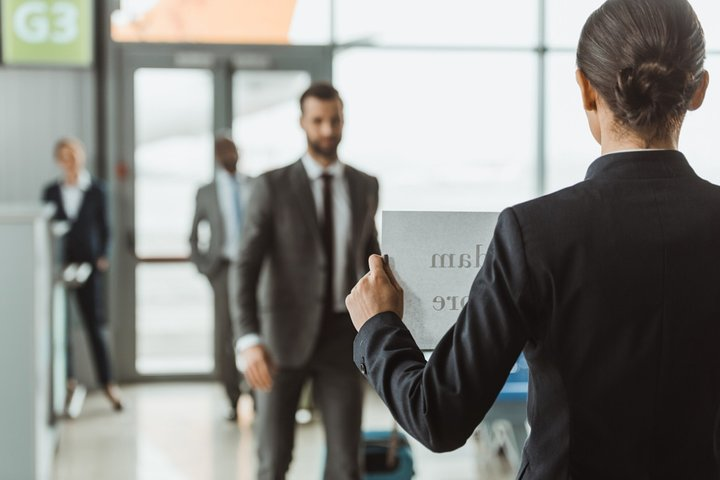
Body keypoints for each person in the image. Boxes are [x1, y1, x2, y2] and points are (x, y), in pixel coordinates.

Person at [346, 0, 719, 478]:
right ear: (700, 89)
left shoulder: (536, 231)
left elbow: (437, 415)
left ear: (585, 89)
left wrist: (378, 327)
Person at [231, 82, 380, 479]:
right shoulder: (272, 186)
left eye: (335, 120)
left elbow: (371, 259)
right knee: (274, 460)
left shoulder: (365, 186)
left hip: (343, 339)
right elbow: (245, 266)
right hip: (280, 340)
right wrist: (248, 339)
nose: (328, 130)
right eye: (318, 121)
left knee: (347, 464)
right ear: (303, 123)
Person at [42, 137, 123, 412]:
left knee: (94, 326)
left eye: (73, 155)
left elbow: (106, 227)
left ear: (81, 157)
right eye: (64, 157)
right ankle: (69, 383)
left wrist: (103, 257)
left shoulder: (96, 190)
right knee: (60, 328)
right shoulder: (51, 191)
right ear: (58, 161)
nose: (70, 162)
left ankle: (108, 383)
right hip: (60, 268)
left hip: (89, 267)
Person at [189, 135, 249, 421]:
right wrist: (206, 269)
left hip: (253, 269)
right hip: (223, 270)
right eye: (224, 151)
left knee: (255, 332)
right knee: (225, 337)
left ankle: (260, 397)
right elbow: (192, 237)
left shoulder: (253, 185)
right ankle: (233, 399)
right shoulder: (206, 192)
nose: (229, 155)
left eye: (233, 149)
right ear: (216, 156)